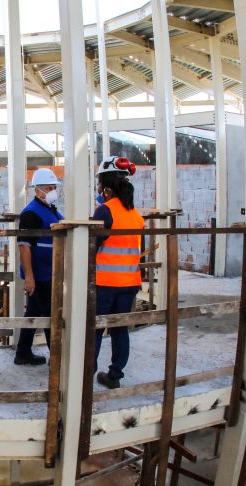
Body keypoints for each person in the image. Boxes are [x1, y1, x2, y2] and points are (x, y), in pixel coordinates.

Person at [91, 156, 144, 389]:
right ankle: (114, 375)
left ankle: (86, 373)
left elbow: (91, 245)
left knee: (94, 328)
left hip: (104, 282)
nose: (98, 188)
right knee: (120, 329)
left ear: (106, 187)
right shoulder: (136, 214)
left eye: (99, 183)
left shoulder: (105, 211)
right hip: (130, 282)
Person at [15, 168, 64, 365]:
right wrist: (29, 277)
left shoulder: (51, 209)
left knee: (34, 313)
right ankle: (58, 358)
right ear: (38, 190)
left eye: (54, 188)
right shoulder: (31, 214)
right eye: (49, 188)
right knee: (49, 316)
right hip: (40, 275)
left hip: (49, 272)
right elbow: (24, 247)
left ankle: (23, 353)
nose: (53, 191)